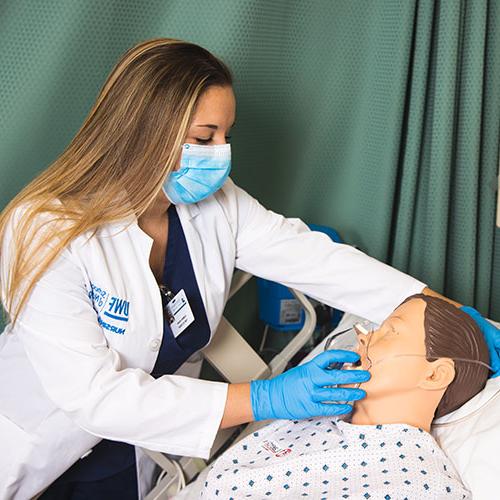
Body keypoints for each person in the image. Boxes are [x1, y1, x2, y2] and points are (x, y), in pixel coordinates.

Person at [0, 38, 496, 499]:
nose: (221, 154)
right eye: (204, 136)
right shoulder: (45, 228)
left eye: (225, 135)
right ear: (141, 132)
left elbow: (316, 259)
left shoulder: (217, 206)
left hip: (132, 454)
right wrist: (266, 399)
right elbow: (94, 397)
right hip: (34, 438)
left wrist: (445, 309)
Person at [201, 294, 490, 499]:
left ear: (434, 375)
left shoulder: (421, 486)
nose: (363, 337)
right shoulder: (318, 415)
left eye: (390, 332)